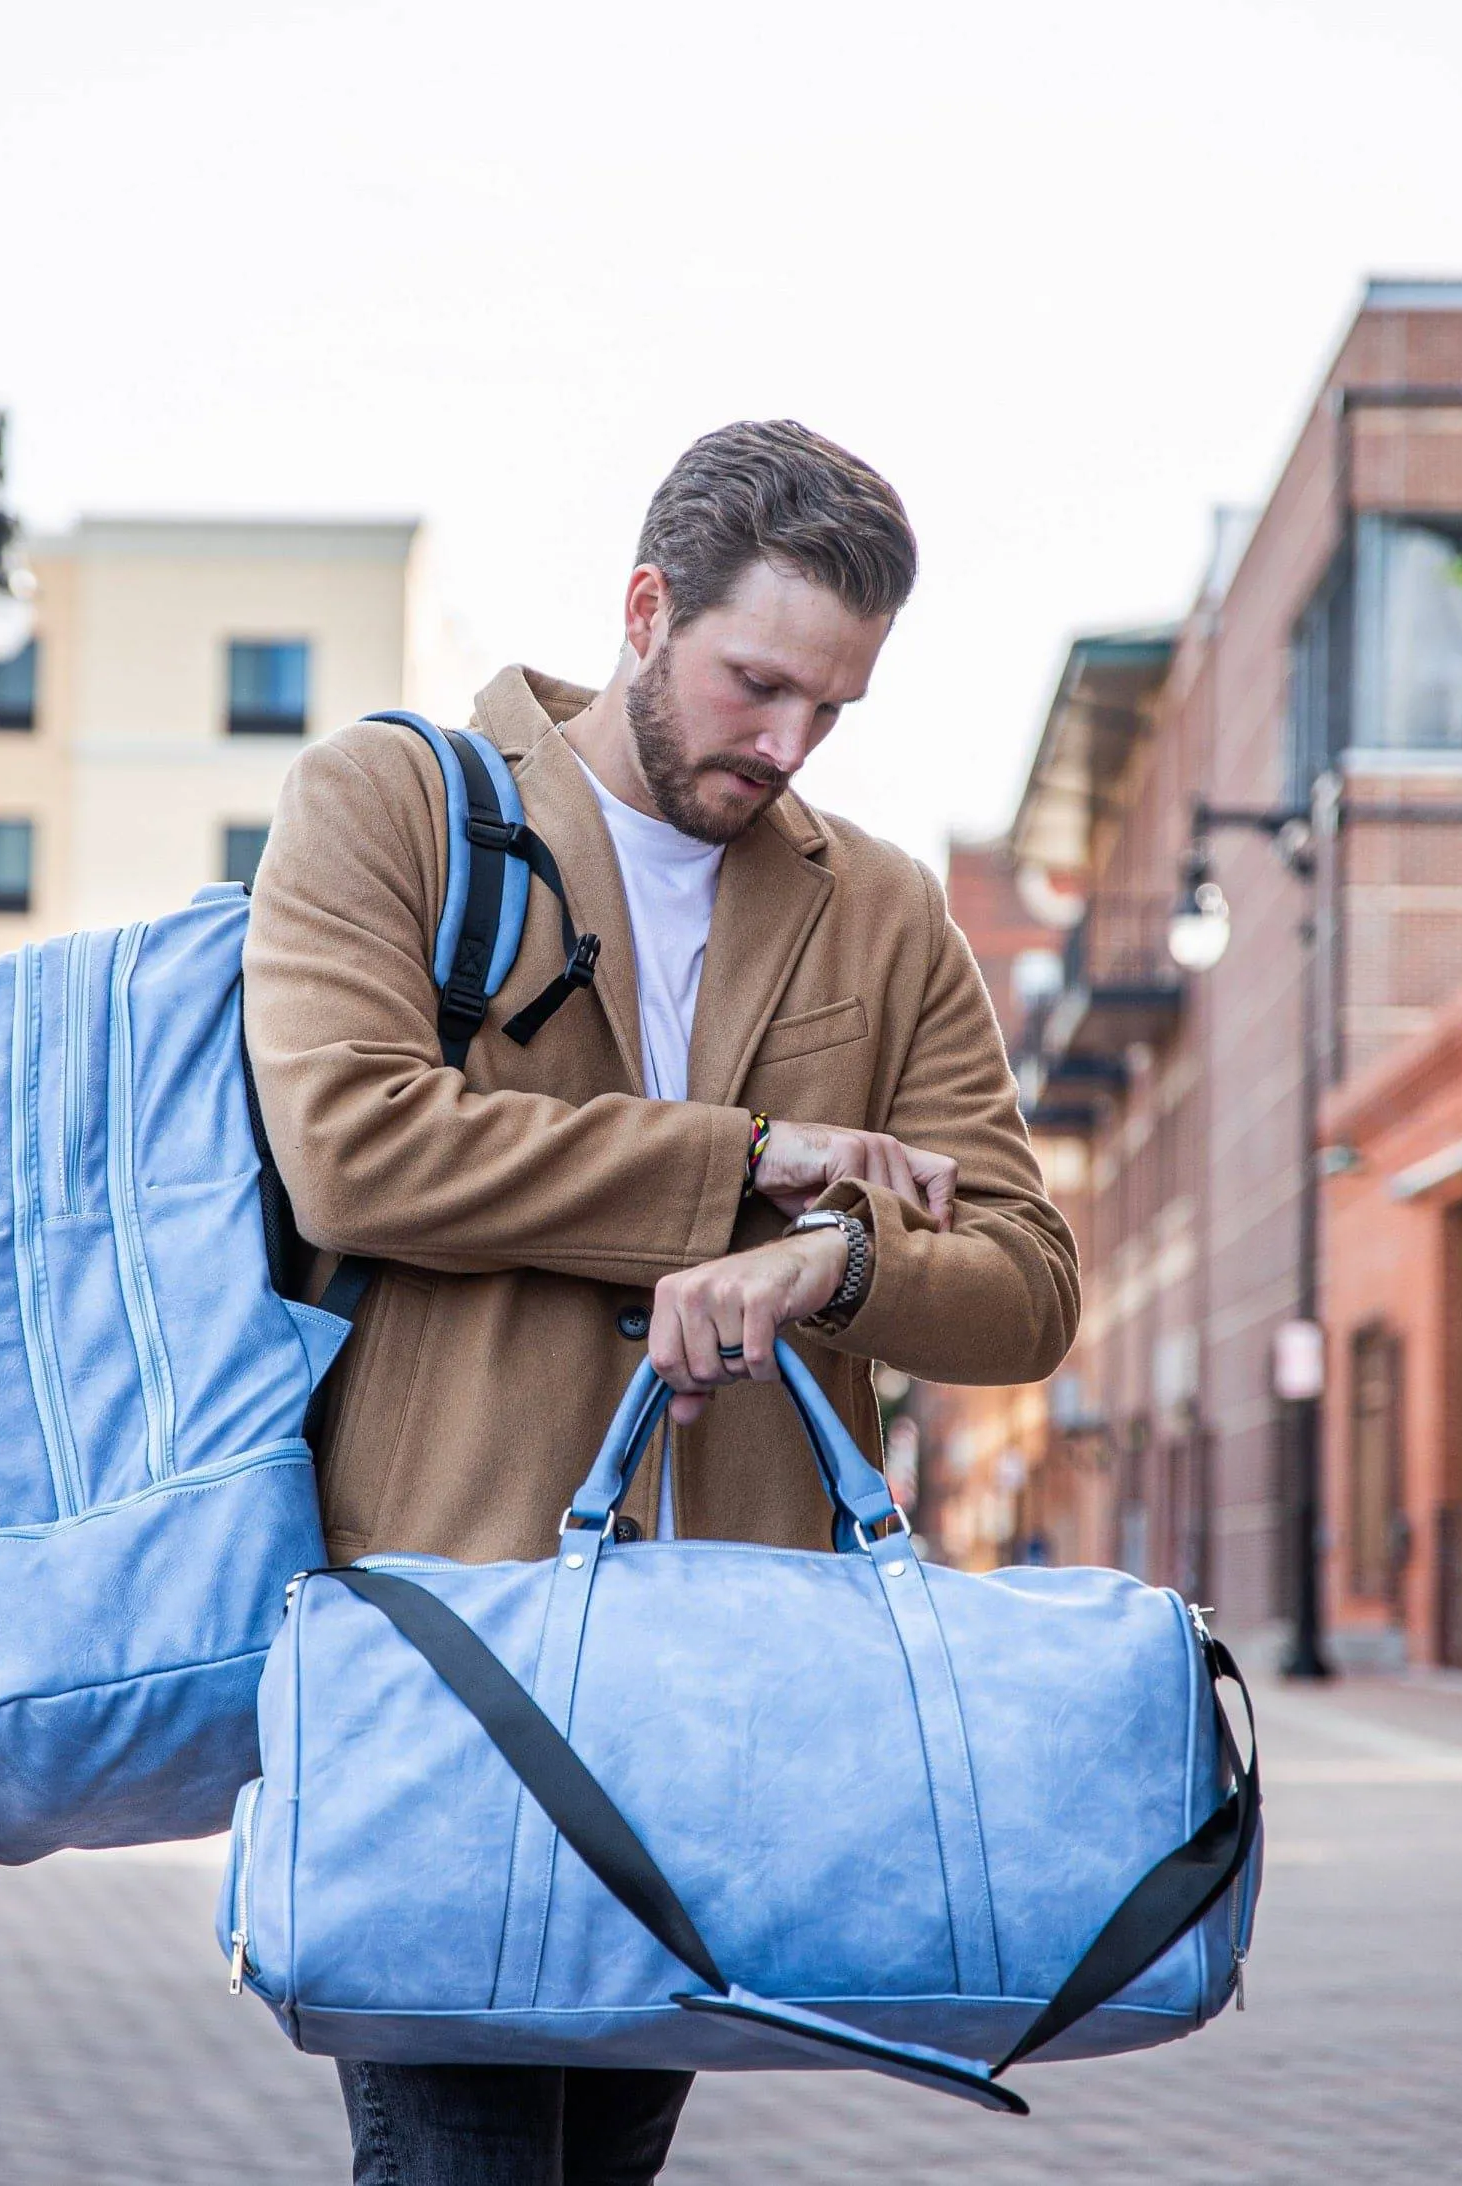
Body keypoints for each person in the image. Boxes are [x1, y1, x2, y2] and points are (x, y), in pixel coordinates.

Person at [244, 419, 1080, 2186]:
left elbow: (1021, 1286)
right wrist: (749, 1162)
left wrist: (829, 1260)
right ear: (644, 608)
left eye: (831, 710)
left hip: (728, 1683)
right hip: (456, 1643)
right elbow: (351, 1148)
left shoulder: (889, 916)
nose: (785, 745)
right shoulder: (386, 802)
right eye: (755, 683)